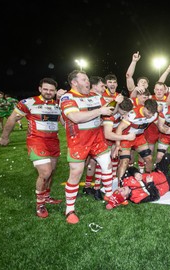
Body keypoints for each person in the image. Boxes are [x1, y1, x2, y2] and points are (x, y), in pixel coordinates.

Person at [0, 78, 64, 218]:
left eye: (51, 90)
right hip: (36, 141)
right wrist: (5, 136)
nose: (48, 92)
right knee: (45, 172)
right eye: (45, 89)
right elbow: (11, 119)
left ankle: (46, 196)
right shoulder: (28, 102)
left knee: (51, 172)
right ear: (40, 89)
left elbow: (65, 122)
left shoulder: (58, 104)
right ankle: (40, 204)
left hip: (54, 142)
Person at [60, 70, 115, 224]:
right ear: (74, 82)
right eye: (84, 79)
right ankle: (69, 209)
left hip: (97, 138)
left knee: (107, 164)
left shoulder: (95, 96)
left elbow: (108, 110)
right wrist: (99, 111)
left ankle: (109, 196)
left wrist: (118, 103)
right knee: (76, 173)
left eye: (87, 79)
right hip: (78, 140)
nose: (87, 82)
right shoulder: (67, 97)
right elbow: (75, 117)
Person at [105, 153, 170, 209]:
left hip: (159, 173)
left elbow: (130, 168)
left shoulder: (125, 181)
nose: (120, 189)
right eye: (120, 192)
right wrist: (150, 184)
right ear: (124, 197)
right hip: (167, 185)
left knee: (167, 157)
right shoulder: (136, 199)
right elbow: (155, 197)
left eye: (118, 190)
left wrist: (135, 173)